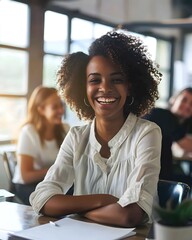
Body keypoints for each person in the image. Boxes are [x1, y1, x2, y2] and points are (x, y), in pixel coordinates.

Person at [30, 31, 162, 227]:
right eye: (95, 80)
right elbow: (42, 199)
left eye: (116, 79)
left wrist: (76, 210)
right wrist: (104, 200)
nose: (105, 88)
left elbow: (129, 215)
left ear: (130, 86)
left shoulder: (147, 133)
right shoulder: (76, 137)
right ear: (82, 87)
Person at [12, 86, 70, 205]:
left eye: (61, 105)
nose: (61, 110)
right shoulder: (28, 132)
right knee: (57, 201)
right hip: (27, 185)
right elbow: (26, 176)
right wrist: (55, 170)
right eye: (55, 107)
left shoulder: (66, 129)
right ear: (41, 110)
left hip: (52, 182)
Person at [143, 87, 192, 182]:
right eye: (184, 100)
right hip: (151, 178)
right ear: (173, 99)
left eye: (191, 104)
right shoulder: (163, 116)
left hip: (157, 174)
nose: (187, 106)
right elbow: (187, 146)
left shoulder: (175, 122)